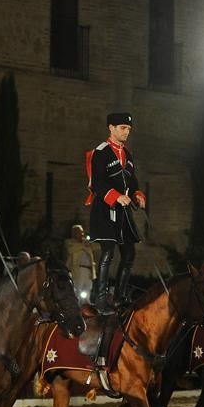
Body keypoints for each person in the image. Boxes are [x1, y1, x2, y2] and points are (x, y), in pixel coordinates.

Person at [85, 112, 145, 311]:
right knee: (108, 253)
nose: (126, 132)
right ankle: (100, 299)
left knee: (129, 253)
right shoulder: (100, 152)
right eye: (122, 128)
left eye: (128, 129)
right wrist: (116, 196)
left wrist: (138, 194)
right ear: (111, 128)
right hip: (105, 209)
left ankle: (120, 296)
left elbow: (132, 180)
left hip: (124, 213)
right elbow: (97, 183)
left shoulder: (128, 154)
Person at [64, 224, 97, 304]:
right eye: (80, 232)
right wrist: (83, 245)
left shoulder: (86, 243)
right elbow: (70, 250)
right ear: (74, 233)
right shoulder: (69, 242)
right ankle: (76, 308)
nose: (82, 234)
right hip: (78, 270)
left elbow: (97, 247)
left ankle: (86, 308)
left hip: (89, 271)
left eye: (82, 232)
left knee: (87, 291)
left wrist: (88, 243)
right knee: (77, 291)